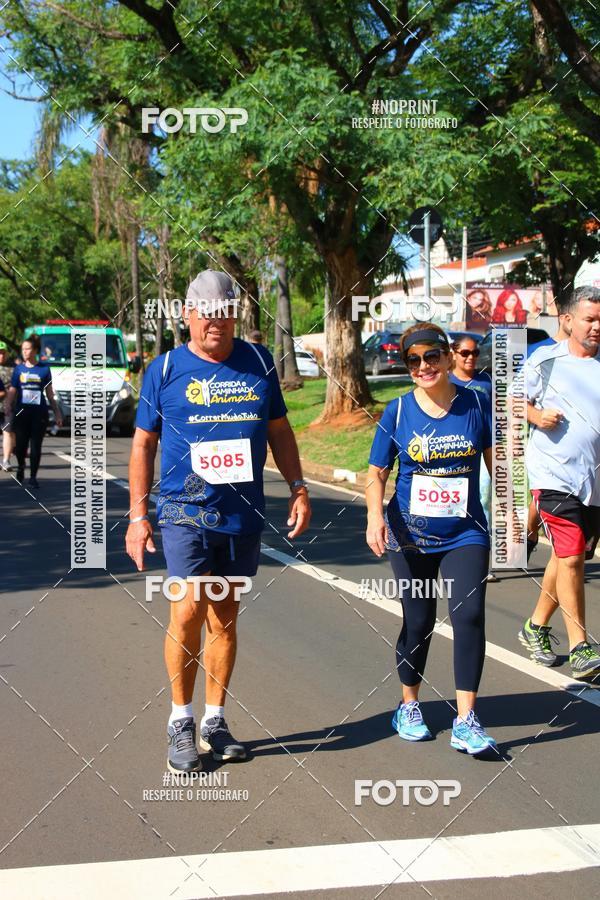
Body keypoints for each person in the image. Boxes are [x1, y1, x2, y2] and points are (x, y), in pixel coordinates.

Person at [126, 270, 311, 774]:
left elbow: (279, 429)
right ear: (188, 315)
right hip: (184, 514)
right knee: (187, 610)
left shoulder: (257, 363)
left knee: (224, 618)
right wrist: (138, 515)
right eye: (207, 314)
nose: (217, 323)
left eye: (226, 313)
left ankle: (215, 720)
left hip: (241, 514)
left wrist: (298, 487)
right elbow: (143, 443)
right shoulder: (164, 370)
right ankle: (179, 719)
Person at [366, 323, 497, 756]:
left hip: (465, 532)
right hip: (411, 537)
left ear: (446, 356)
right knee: (419, 621)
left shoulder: (476, 404)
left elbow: (500, 465)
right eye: (414, 361)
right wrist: (373, 518)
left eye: (432, 357)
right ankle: (409, 704)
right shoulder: (398, 412)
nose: (424, 367)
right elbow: (377, 473)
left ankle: (466, 719)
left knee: (470, 615)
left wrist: (517, 515)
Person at [517, 287, 600, 678]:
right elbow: (510, 399)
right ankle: (581, 646)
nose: (597, 326)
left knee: (569, 555)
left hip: (595, 481)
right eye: (590, 319)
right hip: (554, 474)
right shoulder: (545, 360)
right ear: (567, 321)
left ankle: (536, 625)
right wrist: (534, 416)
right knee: (571, 556)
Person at [449, 335, 497, 581]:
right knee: (457, 503)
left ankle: (482, 564)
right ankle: (453, 553)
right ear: (454, 354)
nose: (471, 358)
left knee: (484, 502)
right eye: (465, 353)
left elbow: (495, 417)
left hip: (483, 451)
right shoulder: (446, 381)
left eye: (475, 353)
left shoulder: (486, 381)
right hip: (455, 453)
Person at [6, 334, 63, 488]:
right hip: (21, 413)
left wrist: (57, 412)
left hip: (39, 413)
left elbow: (50, 394)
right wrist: (8, 406)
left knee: (36, 445)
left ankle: (33, 477)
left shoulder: (44, 370)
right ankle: (21, 467)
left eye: (28, 349)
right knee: (20, 446)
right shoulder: (19, 369)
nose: (25, 352)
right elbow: (13, 389)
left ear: (35, 350)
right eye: (23, 349)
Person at [0, 341, 16, 470]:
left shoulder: (14, 368)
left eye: (3, 353)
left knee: (8, 432)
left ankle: (6, 460)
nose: (1, 356)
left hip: (8, 406)